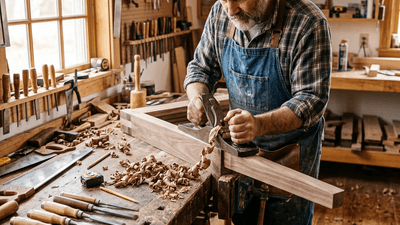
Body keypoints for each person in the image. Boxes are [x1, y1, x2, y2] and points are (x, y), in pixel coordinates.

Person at [184, 0, 332, 224]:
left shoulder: (308, 22)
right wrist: (197, 97)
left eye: (240, 0)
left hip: (288, 164)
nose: (230, 10)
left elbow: (311, 100)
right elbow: (200, 68)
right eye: (225, 0)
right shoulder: (221, 13)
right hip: (239, 157)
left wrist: (259, 125)